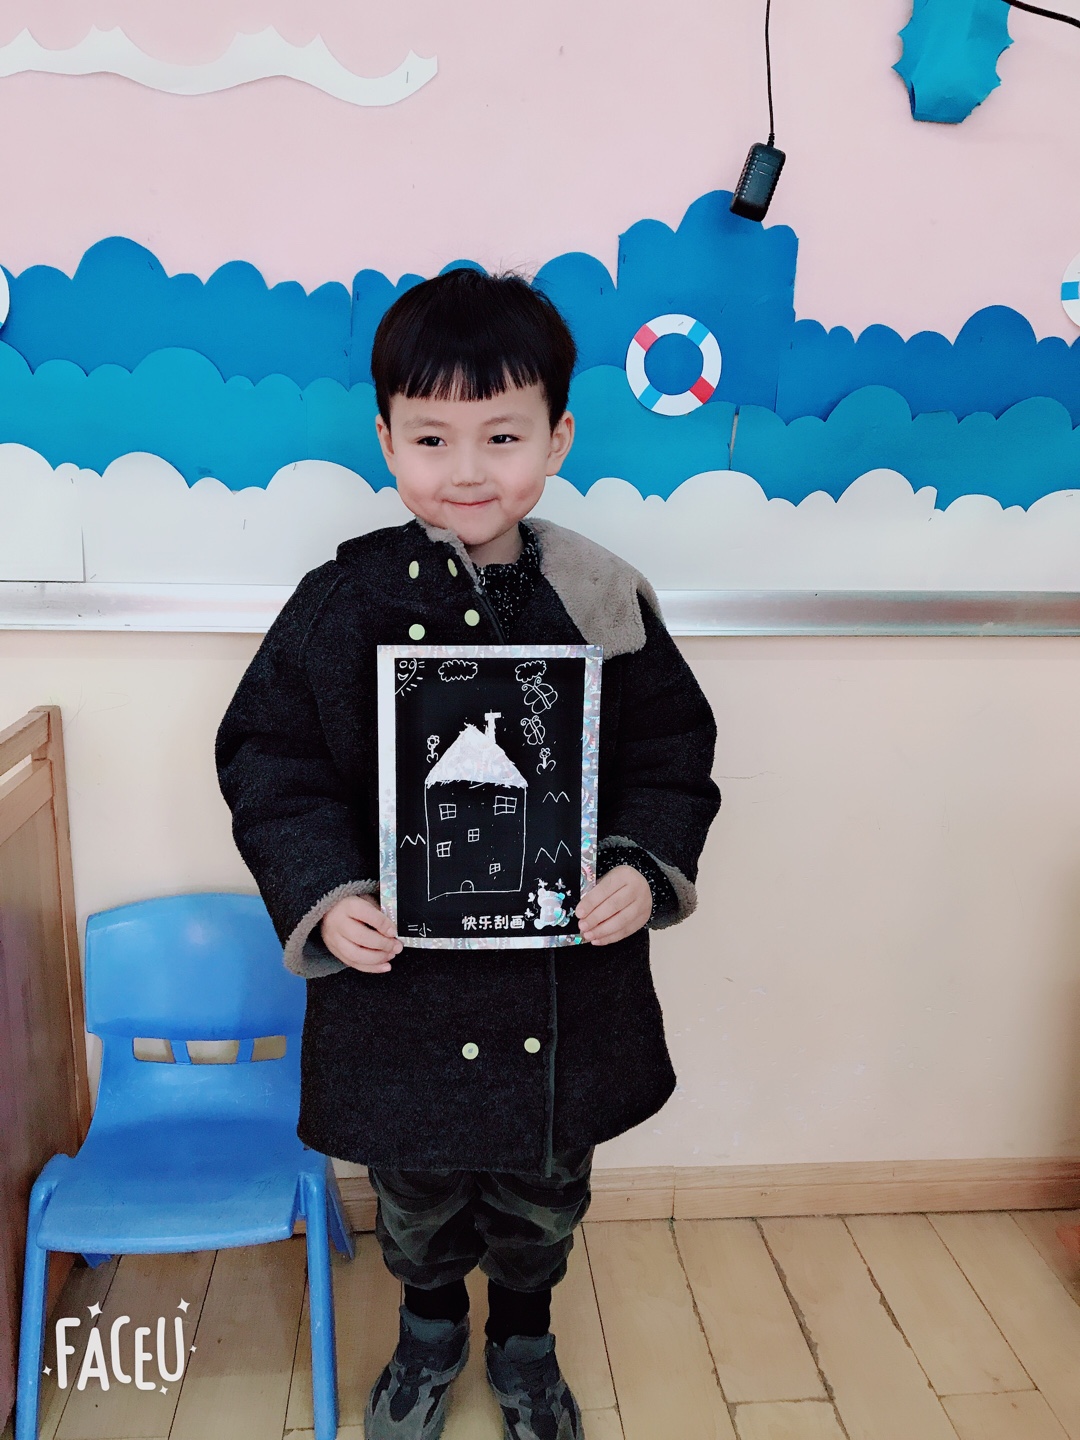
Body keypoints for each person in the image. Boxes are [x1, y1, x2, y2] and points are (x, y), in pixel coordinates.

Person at [215, 269, 720, 1440]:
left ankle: (525, 1343)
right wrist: (325, 894)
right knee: (416, 1192)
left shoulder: (599, 596)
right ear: (386, 440)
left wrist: (640, 866)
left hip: (562, 976)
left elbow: (671, 752)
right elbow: (270, 758)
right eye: (432, 437)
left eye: (503, 434)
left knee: (544, 1192)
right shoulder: (341, 601)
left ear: (558, 438)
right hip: (403, 984)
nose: (468, 469)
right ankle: (429, 1330)